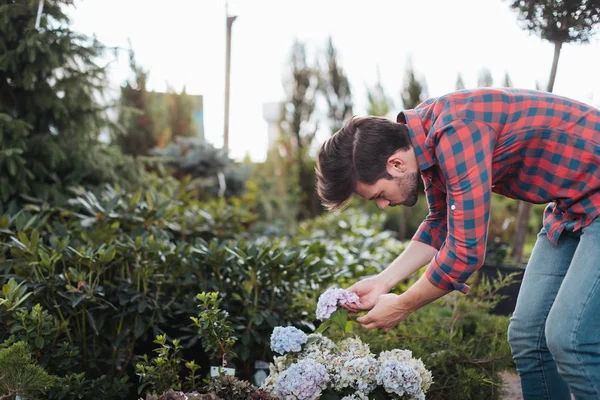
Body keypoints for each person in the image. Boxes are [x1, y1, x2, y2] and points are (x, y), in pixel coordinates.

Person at [315, 87, 600, 399]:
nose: (383, 205)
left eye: (379, 195)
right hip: (570, 208)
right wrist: (384, 282)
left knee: (569, 337)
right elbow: (440, 222)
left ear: (396, 164)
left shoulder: (457, 133)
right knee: (528, 338)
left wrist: (403, 305)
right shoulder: (423, 138)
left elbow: (465, 252)